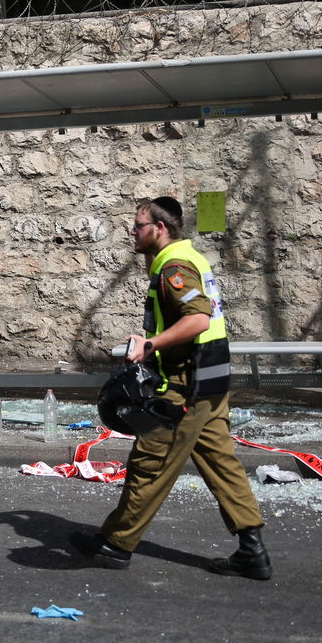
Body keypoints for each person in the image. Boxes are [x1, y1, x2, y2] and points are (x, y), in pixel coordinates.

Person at [70, 196, 271, 580]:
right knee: (221, 465)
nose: (133, 231)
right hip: (210, 384)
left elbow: (197, 319)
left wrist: (151, 345)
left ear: (160, 229)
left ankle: (116, 545)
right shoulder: (182, 259)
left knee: (150, 464)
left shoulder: (175, 267)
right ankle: (252, 550)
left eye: (139, 225)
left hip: (184, 388)